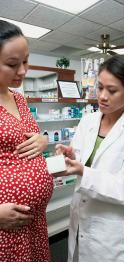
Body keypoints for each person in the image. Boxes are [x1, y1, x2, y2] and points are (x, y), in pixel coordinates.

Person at [55, 55, 124, 262]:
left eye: (112, 90)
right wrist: (70, 155)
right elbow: (82, 156)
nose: (103, 96)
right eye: (100, 87)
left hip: (110, 228)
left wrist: (82, 171)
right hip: (80, 216)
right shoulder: (88, 121)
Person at [0, 20, 51, 261]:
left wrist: (42, 141)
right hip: (5, 229)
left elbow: (27, 137)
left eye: (25, 61)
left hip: (34, 222)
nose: (22, 71)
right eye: (12, 64)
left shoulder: (19, 99)